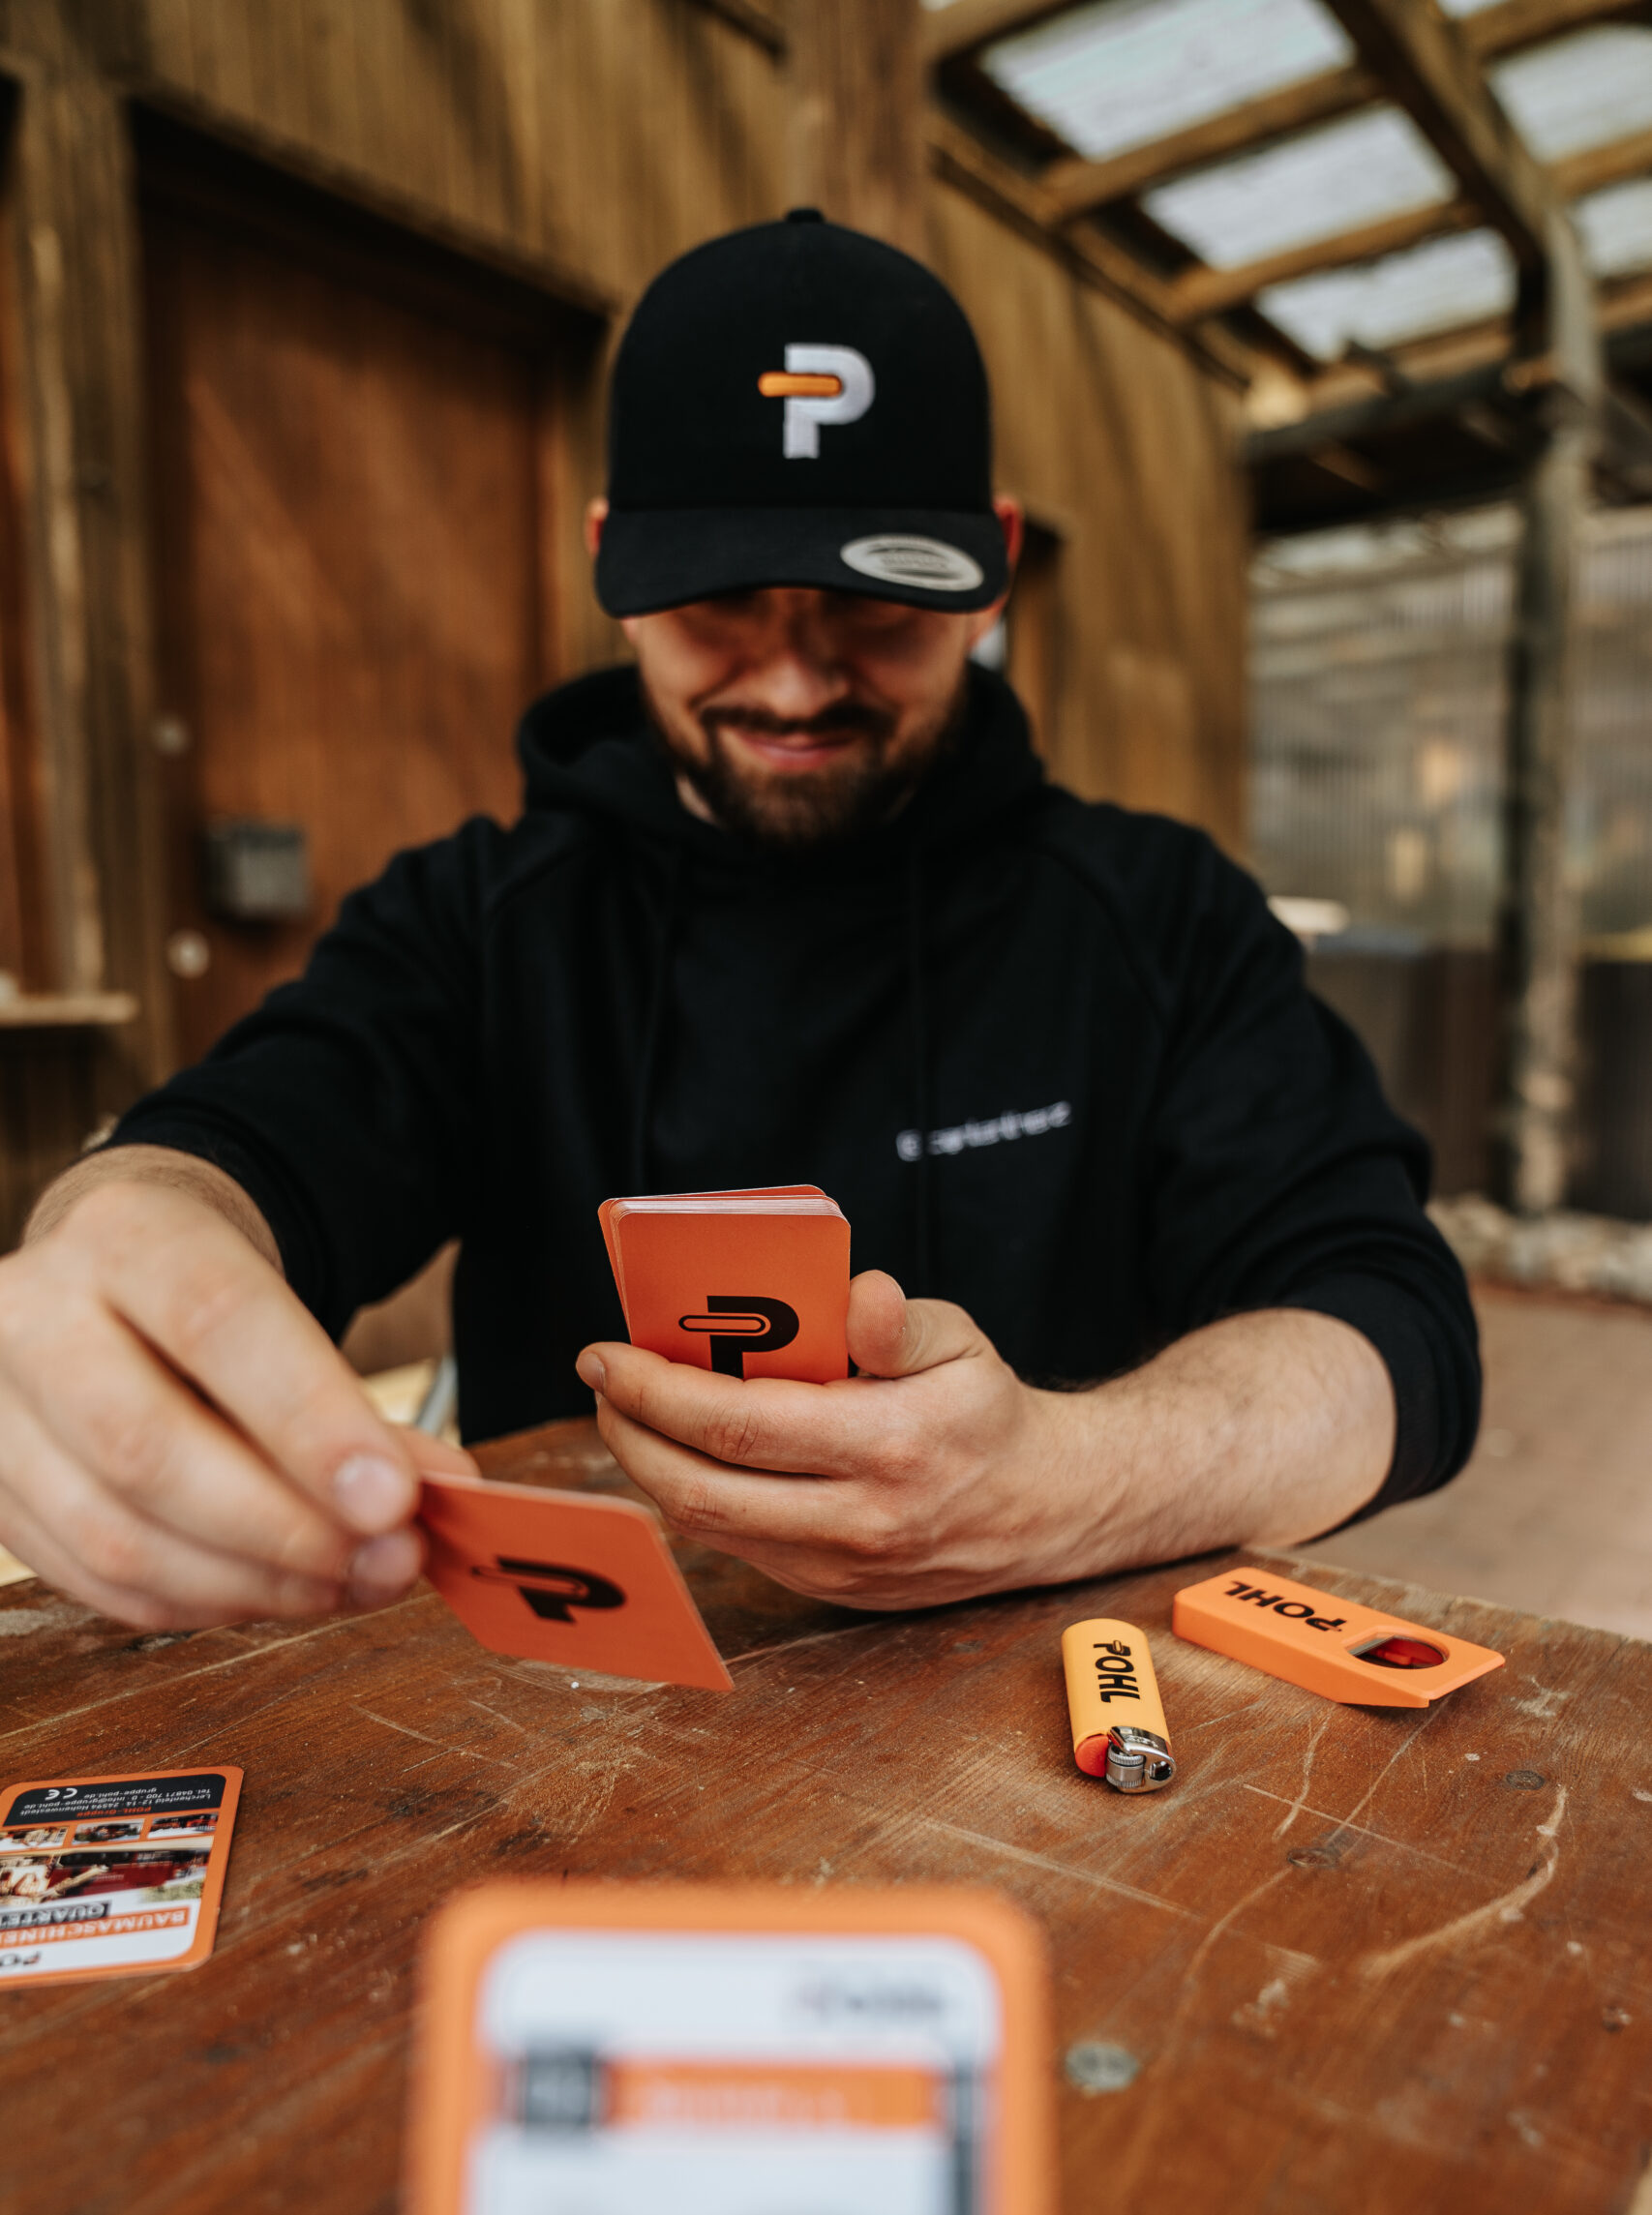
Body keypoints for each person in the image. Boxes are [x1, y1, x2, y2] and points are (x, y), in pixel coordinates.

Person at [0, 212, 1478, 1633]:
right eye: (721, 607)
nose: (791, 683)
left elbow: (1394, 1340)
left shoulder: (1158, 913)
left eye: (871, 608)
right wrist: (114, 1233)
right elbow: (242, 1142)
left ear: (990, 572)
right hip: (572, 1733)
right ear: (613, 569)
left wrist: (1068, 1481)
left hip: (1069, 1741)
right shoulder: (480, 920)